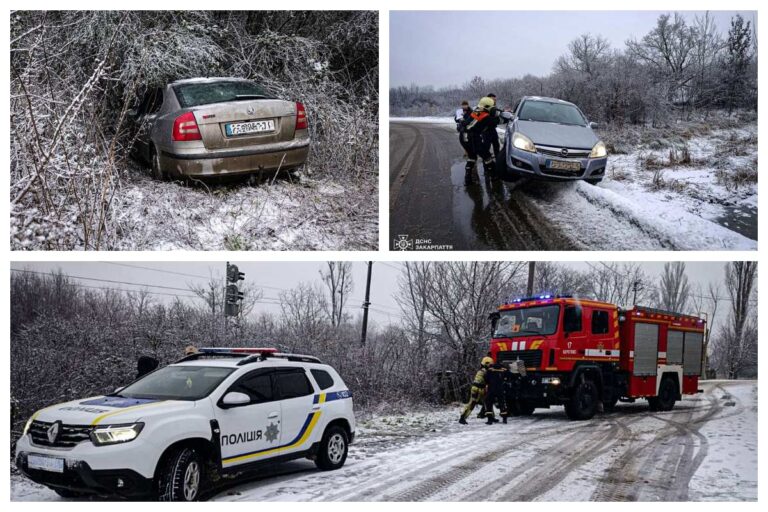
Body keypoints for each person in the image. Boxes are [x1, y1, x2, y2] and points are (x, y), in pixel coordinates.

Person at [464, 97, 501, 182]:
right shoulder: (484, 115)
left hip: (464, 137)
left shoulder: (477, 111)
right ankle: (494, 176)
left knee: (472, 157)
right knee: (487, 156)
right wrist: (499, 116)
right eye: (492, 107)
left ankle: (468, 178)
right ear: (488, 106)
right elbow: (495, 122)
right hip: (473, 137)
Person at [459, 356, 494, 424]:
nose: (491, 366)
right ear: (487, 364)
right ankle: (462, 418)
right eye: (490, 365)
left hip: (480, 388)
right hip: (477, 389)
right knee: (472, 404)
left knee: (488, 402)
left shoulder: (483, 370)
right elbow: (487, 380)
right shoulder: (484, 371)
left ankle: (491, 417)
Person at [486, 93, 501, 158]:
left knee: (496, 145)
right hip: (486, 130)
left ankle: (497, 158)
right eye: (493, 99)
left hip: (492, 129)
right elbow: (488, 119)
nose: (494, 101)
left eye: (495, 100)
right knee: (487, 146)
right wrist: (496, 120)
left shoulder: (494, 107)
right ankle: (486, 160)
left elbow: (498, 114)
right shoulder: (485, 107)